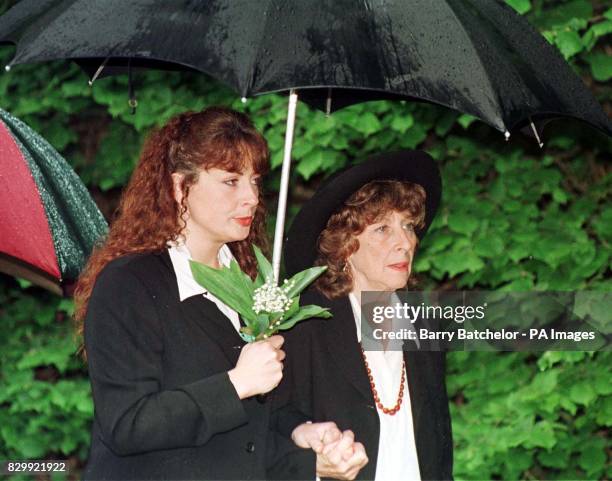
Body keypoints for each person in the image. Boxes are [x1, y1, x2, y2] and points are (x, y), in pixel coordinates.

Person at [73, 106, 323, 480]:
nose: (251, 198)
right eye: (230, 181)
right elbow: (127, 424)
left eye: (254, 181)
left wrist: (302, 436)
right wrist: (236, 383)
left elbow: (249, 436)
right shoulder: (129, 284)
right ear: (179, 187)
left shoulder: (254, 290)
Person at [277, 150, 454, 481]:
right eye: (383, 229)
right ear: (344, 244)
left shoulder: (420, 320)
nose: (405, 242)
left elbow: (438, 446)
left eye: (408, 226)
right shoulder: (306, 323)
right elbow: (274, 427)